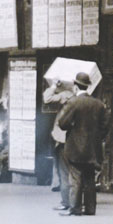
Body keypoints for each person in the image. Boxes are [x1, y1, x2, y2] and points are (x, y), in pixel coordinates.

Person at [57, 72, 110, 216]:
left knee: (75, 177)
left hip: (75, 147)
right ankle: (90, 209)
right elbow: (105, 126)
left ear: (75, 86)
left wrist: (72, 126)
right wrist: (97, 138)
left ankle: (75, 208)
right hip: (93, 148)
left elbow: (62, 123)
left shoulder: (73, 102)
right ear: (87, 87)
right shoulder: (99, 104)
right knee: (89, 178)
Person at [43, 79, 76, 211]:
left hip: (62, 138)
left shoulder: (65, 95)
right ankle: (76, 201)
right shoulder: (79, 99)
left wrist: (53, 86)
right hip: (76, 140)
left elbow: (47, 98)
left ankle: (65, 202)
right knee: (76, 173)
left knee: (63, 172)